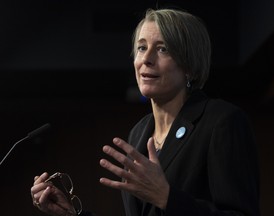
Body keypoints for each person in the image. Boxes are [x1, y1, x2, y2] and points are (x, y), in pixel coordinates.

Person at [31, 7, 260, 216]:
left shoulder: (222, 122)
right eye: (142, 48)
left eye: (163, 49)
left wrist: (168, 198)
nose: (146, 59)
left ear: (189, 65)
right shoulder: (139, 132)